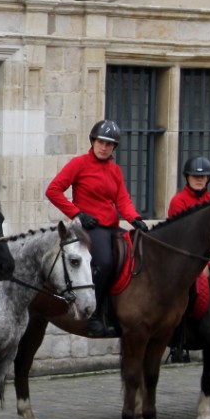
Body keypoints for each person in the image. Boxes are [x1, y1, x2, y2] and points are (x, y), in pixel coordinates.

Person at [46, 120, 148, 338]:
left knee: (132, 258)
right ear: (93, 142)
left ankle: (121, 312)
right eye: (101, 142)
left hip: (111, 227)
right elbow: (53, 190)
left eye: (109, 144)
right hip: (89, 229)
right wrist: (77, 213)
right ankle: (94, 317)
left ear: (114, 148)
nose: (104, 147)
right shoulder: (78, 164)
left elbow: (123, 201)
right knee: (105, 262)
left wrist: (135, 218)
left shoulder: (115, 170)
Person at [166, 156, 210, 363]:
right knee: (187, 293)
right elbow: (179, 236)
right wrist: (199, 265)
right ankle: (178, 343)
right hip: (184, 258)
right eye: (195, 176)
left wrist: (208, 262)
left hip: (208, 258)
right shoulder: (179, 201)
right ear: (187, 177)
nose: (199, 179)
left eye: (203, 176)